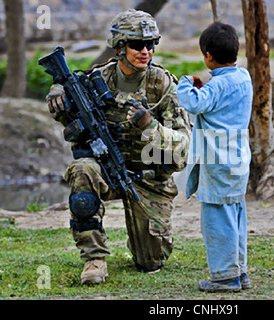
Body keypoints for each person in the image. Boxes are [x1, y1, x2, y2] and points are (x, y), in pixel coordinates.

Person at [46, 9, 191, 285]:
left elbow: (184, 150)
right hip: (106, 171)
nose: (145, 51)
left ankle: (144, 245)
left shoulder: (164, 87)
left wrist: (151, 127)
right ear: (120, 47)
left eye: (151, 44)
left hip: (150, 179)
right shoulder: (97, 79)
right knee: (82, 170)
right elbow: (73, 123)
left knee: (151, 261)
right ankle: (94, 258)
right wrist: (58, 97)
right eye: (138, 45)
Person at [177, 22, 253, 292]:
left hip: (218, 162)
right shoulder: (243, 77)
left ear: (207, 56)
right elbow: (214, 98)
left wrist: (186, 83)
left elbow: (194, 102)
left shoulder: (216, 87)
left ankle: (224, 277)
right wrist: (204, 87)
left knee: (217, 220)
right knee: (235, 216)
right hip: (238, 159)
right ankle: (240, 271)